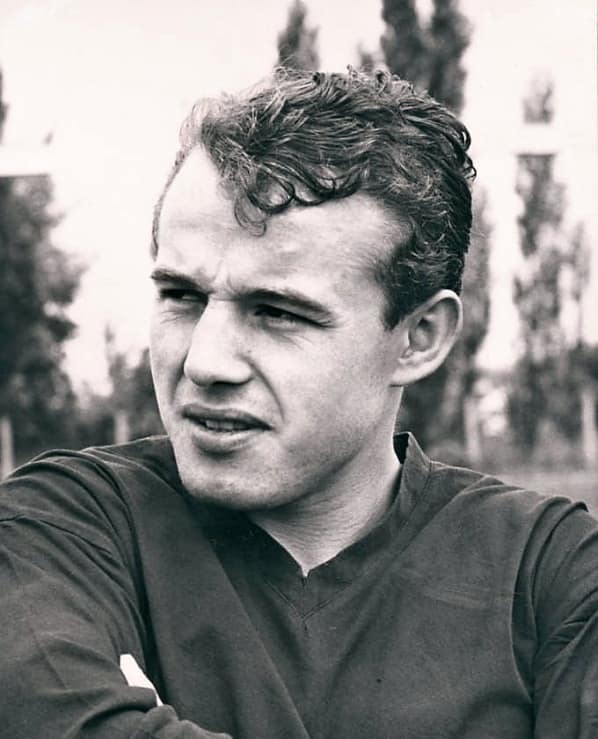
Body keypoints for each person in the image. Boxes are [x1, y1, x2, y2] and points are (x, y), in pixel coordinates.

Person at [0, 67, 596, 739]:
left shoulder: (551, 573)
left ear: (419, 337)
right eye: (181, 296)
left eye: (278, 311)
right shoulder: (60, 529)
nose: (204, 362)